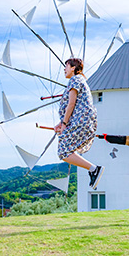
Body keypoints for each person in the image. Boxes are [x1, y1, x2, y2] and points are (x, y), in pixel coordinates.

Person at [54, 58, 104, 189]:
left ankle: (94, 169)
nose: (64, 69)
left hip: (81, 121)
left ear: (73, 68)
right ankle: (93, 169)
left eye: (66, 66)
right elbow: (74, 106)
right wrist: (61, 123)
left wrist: (64, 124)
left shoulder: (75, 80)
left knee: (63, 151)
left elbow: (72, 103)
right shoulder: (80, 80)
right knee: (64, 150)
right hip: (82, 120)